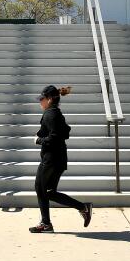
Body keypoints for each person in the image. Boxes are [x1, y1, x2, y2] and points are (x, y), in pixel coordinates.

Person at [29, 84, 93, 233]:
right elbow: (65, 131)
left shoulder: (50, 114)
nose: (40, 102)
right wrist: (43, 134)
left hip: (51, 159)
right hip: (58, 159)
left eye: (42, 99)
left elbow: (56, 137)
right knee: (49, 191)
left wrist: (39, 140)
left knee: (40, 188)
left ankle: (46, 223)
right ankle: (82, 208)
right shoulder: (55, 113)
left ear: (49, 99)